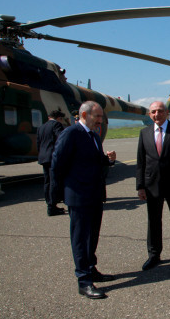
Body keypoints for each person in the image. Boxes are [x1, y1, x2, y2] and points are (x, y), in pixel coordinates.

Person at [51, 101, 116, 299]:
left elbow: (92, 161)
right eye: (97, 116)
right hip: (78, 196)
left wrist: (108, 160)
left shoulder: (93, 135)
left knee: (92, 236)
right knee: (80, 239)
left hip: (95, 195)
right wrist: (60, 194)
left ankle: (91, 268)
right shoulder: (71, 133)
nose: (100, 120)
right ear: (84, 115)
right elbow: (57, 164)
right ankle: (84, 281)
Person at [136, 101, 170, 271]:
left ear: (167, 112)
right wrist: (140, 186)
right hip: (151, 186)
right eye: (153, 112)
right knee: (153, 221)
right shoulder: (144, 133)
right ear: (149, 114)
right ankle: (154, 255)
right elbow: (141, 162)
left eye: (160, 111)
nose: (156, 114)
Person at [37, 109, 66, 216]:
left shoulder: (41, 127)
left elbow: (38, 143)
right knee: (54, 181)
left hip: (43, 157)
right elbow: (61, 139)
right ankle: (52, 206)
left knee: (47, 182)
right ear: (59, 118)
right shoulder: (57, 125)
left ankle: (49, 202)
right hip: (53, 157)